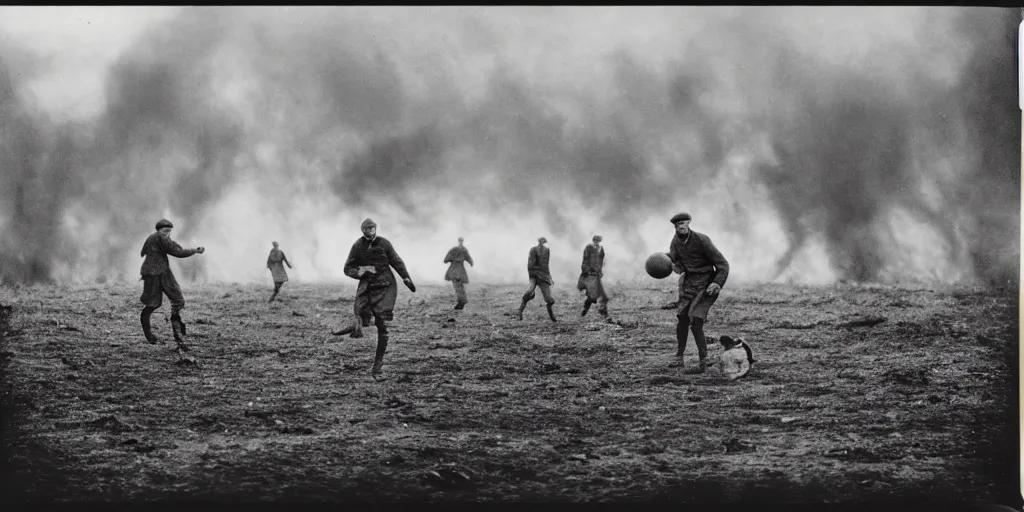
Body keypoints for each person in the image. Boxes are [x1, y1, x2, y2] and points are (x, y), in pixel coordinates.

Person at [331, 218, 416, 379]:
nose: (369, 232)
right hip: (367, 287)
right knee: (360, 313)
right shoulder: (357, 246)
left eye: (372, 229)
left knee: (382, 325)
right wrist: (359, 271)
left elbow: (397, 261)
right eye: (366, 229)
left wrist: (406, 277)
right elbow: (347, 267)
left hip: (385, 286)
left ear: (376, 229)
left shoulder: (384, 244)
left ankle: (377, 367)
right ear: (362, 231)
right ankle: (357, 324)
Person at [667, 212, 729, 374]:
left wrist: (717, 283)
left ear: (689, 224)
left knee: (696, 320)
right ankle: (679, 357)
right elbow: (676, 264)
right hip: (689, 284)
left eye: (684, 223)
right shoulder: (675, 243)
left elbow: (723, 264)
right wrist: (667, 262)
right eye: (678, 225)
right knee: (682, 318)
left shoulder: (702, 240)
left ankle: (704, 359)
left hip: (707, 284)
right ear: (675, 227)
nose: (681, 227)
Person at [139, 218, 205, 353]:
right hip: (159, 273)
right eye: (166, 231)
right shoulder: (161, 237)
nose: (168, 234)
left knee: (155, 304)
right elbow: (177, 251)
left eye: (169, 231)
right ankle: (178, 337)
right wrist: (195, 251)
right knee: (176, 300)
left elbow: (143, 252)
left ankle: (155, 336)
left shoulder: (152, 237)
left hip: (152, 272)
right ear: (160, 230)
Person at [517, 237, 557, 322]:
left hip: (543, 276)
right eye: (541, 242)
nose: (541, 244)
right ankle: (520, 311)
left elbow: (546, 265)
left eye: (543, 242)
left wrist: (549, 277)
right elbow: (530, 265)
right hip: (535, 275)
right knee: (529, 292)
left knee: (549, 299)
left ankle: (552, 317)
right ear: (539, 242)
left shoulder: (547, 251)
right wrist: (534, 274)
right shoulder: (533, 250)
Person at [577, 235, 609, 317]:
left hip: (596, 275)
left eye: (598, 241)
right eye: (595, 240)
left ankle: (603, 312)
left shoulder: (601, 249)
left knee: (600, 296)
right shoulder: (589, 247)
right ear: (593, 240)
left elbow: (601, 261)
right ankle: (587, 310)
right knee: (593, 296)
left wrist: (600, 270)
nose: (597, 242)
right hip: (589, 275)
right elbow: (585, 259)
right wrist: (586, 270)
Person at [443, 236, 474, 310]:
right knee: (461, 287)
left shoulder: (453, 250)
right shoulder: (464, 250)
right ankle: (462, 301)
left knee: (457, 287)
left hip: (453, 271)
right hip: (461, 271)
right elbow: (470, 261)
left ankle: (461, 302)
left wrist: (452, 259)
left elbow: (445, 260)